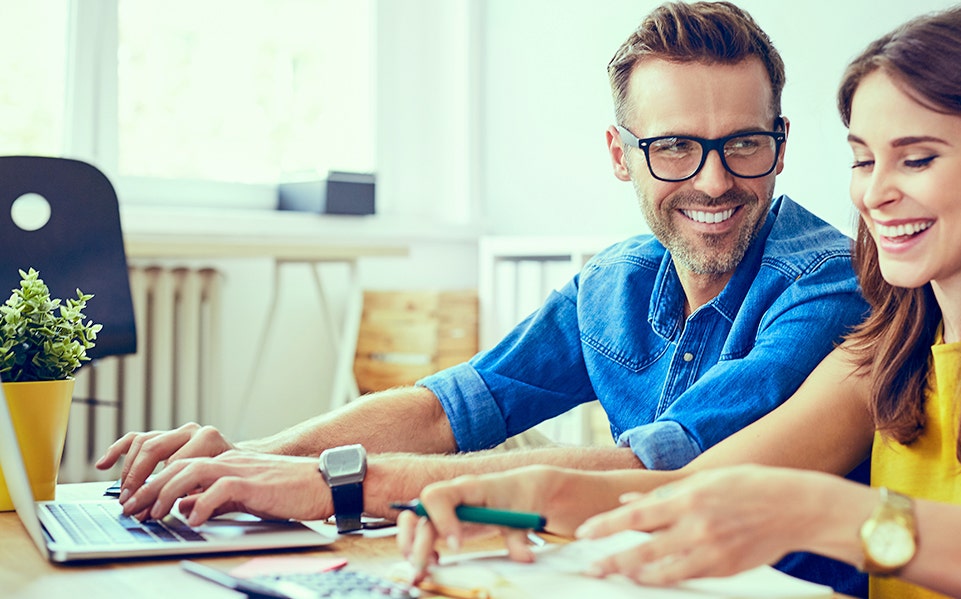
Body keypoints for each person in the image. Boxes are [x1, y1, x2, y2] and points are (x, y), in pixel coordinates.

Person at [399, 5, 961, 598]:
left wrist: (824, 514)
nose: (877, 193)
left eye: (916, 158)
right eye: (862, 159)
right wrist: (519, 497)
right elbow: (698, 486)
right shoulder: (889, 346)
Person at [96, 2, 870, 594]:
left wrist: (336, 479)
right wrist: (245, 457)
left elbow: (655, 465)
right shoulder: (615, 280)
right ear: (619, 153)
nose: (713, 179)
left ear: (781, 142)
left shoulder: (827, 283)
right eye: (672, 146)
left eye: (743, 142)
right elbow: (449, 407)